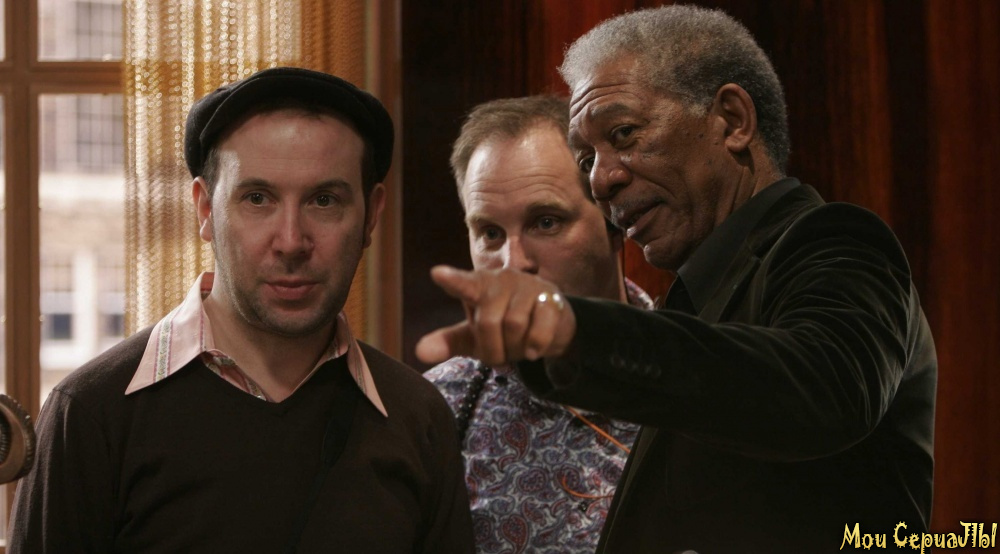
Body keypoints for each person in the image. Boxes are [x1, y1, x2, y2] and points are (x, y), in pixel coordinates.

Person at [416, 6, 937, 553]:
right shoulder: (691, 301)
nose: (601, 180)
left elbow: (824, 388)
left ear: (732, 120)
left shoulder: (836, 240)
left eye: (623, 134)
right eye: (587, 158)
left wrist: (578, 332)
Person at [10, 67, 475, 553]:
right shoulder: (91, 415)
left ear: (371, 216)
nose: (291, 241)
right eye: (257, 198)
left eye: (324, 200)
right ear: (205, 210)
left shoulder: (418, 418)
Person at [423, 96, 650, 554]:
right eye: (490, 233)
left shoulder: (693, 369)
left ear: (615, 223)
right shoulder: (437, 409)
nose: (514, 263)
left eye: (546, 222)